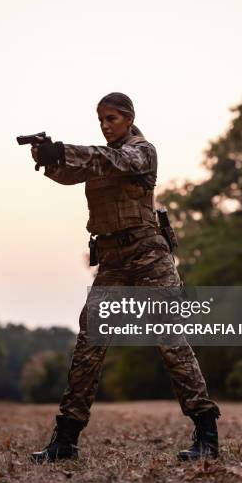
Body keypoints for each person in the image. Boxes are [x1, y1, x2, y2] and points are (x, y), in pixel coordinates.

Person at [30, 92, 220, 463]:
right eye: (100, 119)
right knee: (88, 345)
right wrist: (48, 159)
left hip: (149, 256)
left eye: (111, 118)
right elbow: (71, 173)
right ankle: (65, 440)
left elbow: (108, 160)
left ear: (129, 119)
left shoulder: (141, 151)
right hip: (114, 261)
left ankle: (207, 433)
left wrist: (66, 150)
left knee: (170, 340)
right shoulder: (101, 157)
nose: (104, 125)